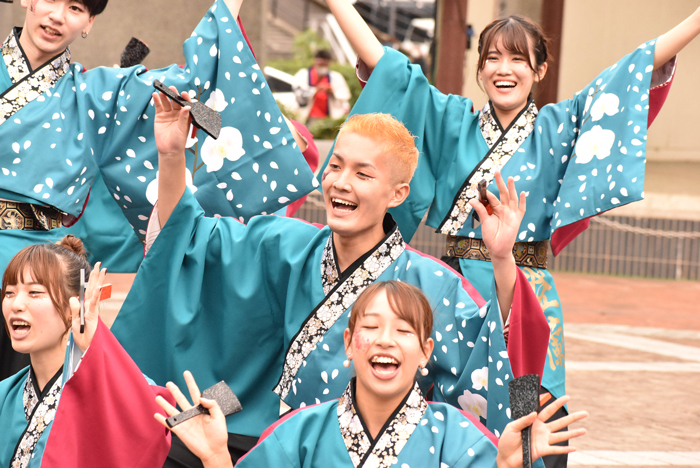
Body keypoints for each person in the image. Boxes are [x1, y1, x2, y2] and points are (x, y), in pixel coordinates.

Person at [321, 3, 700, 463]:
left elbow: (633, 71)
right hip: (455, 288)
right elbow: (390, 70)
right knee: (448, 399)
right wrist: (340, 4)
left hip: (526, 288)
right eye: (493, 59)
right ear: (479, 70)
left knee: (530, 405)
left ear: (539, 69)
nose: (505, 69)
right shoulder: (449, 119)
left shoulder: (560, 127)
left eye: (519, 59)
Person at [110, 85, 550, 464]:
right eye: (335, 166)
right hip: (269, 428)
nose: (340, 182)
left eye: (363, 173)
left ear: (398, 193)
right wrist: (171, 156)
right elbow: (185, 242)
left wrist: (502, 259)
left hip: (371, 448)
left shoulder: (433, 284)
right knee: (162, 434)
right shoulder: (283, 243)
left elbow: (501, 353)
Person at [0, 0, 317, 380]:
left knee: (23, 403)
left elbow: (190, 85)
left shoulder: (97, 94)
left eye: (75, 8)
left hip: (39, 273)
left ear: (89, 23)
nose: (56, 16)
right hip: (39, 269)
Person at [156, 281, 588, 468]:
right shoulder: (301, 433)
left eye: (403, 331)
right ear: (347, 344)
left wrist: (508, 466)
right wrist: (215, 458)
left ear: (426, 353)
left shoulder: (457, 436)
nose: (385, 340)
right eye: (371, 328)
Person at [0, 236, 174, 467]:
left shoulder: (112, 389)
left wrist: (96, 345)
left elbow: (152, 424)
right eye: (9, 293)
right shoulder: (5, 394)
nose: (16, 304)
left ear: (76, 306)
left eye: (34, 293)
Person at [293, 49, 351, 124]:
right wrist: (316, 89)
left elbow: (345, 96)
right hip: (308, 118)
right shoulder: (303, 74)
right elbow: (299, 94)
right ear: (315, 61)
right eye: (320, 63)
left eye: (325, 64)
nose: (323, 66)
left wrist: (332, 92)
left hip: (329, 118)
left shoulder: (336, 77)